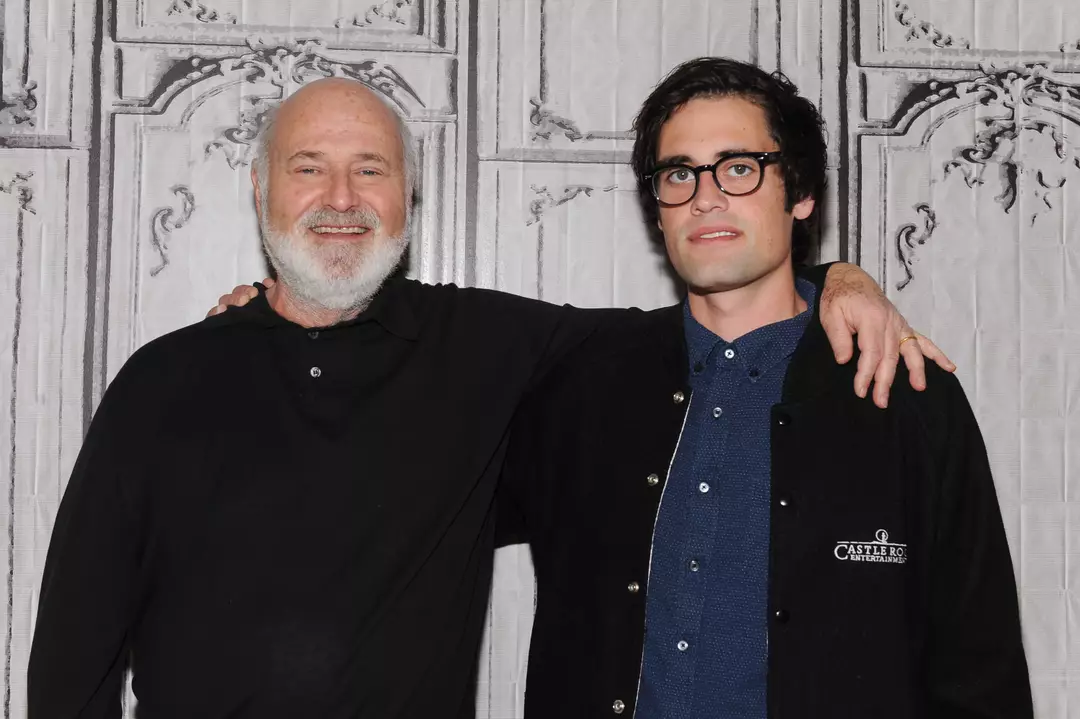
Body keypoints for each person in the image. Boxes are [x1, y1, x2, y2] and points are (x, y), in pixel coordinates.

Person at [28, 76, 943, 718]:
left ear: (410, 196)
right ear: (262, 188)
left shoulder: (483, 347)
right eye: (308, 167)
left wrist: (839, 279)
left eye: (371, 168)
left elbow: (721, 304)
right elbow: (75, 647)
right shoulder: (163, 381)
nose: (341, 196)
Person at [497, 57, 1031, 719]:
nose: (705, 196)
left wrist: (840, 275)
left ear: (800, 194)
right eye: (679, 173)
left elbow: (979, 663)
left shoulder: (902, 390)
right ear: (658, 209)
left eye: (739, 167)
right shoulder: (583, 386)